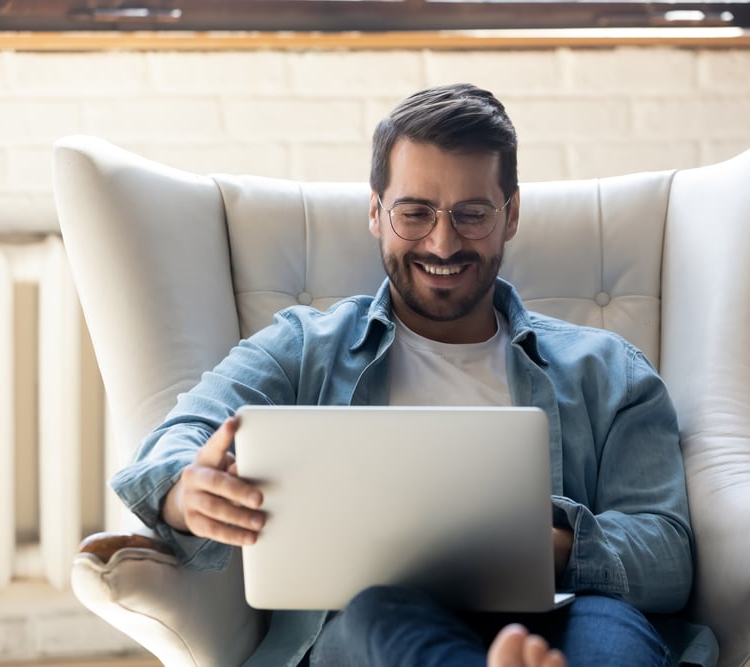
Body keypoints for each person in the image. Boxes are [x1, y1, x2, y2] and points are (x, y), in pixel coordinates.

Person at [110, 83, 716, 667]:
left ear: (511, 215)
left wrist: (542, 547)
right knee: (373, 614)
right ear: (375, 212)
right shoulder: (302, 348)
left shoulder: (610, 372)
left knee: (615, 639)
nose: (444, 243)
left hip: (571, 610)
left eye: (472, 214)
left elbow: (666, 552)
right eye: (415, 212)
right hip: (392, 621)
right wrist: (185, 492)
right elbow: (181, 434)